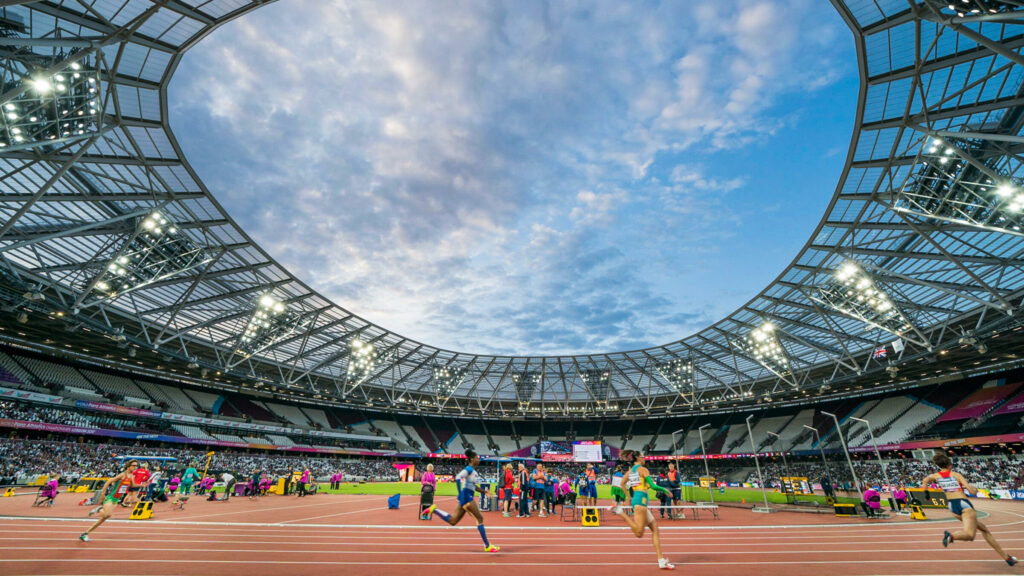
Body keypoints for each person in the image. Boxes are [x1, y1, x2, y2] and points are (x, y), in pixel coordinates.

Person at [921, 453, 1017, 566]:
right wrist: (976, 490)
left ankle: (1007, 558)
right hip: (963, 504)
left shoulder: (936, 476)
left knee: (984, 529)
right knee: (970, 535)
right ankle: (951, 536)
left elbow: (925, 480)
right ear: (949, 464)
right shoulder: (956, 474)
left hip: (952, 507)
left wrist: (927, 494)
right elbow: (971, 491)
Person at [611, 450, 675, 570]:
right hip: (641, 502)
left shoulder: (630, 471)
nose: (644, 458)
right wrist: (666, 490)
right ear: (638, 458)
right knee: (639, 534)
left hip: (638, 500)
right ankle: (621, 513)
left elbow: (622, 483)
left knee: (655, 528)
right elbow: (655, 486)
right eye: (643, 457)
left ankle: (661, 560)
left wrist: (629, 497)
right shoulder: (643, 470)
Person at [426, 450, 499, 552]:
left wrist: (484, 491)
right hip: (466, 495)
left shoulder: (474, 472)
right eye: (477, 458)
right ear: (472, 459)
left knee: (453, 521)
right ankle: (487, 545)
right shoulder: (469, 469)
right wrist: (460, 492)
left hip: (466, 495)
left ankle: (434, 510)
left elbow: (474, 486)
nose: (478, 460)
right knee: (480, 518)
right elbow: (458, 477)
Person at [80, 460, 139, 542]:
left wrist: (142, 484)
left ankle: (85, 533)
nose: (135, 467)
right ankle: (99, 509)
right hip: (110, 498)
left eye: (136, 465)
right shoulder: (122, 475)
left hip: (116, 500)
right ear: (128, 466)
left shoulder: (131, 476)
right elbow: (109, 481)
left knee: (105, 517)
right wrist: (103, 493)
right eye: (133, 465)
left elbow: (133, 485)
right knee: (107, 514)